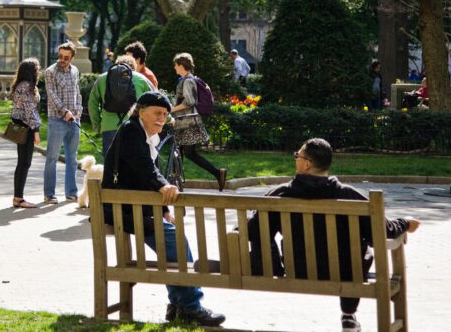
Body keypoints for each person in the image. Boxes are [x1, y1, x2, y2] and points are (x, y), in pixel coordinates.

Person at [247, 138, 420, 332]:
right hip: (346, 272)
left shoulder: (280, 194)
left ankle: (349, 317)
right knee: (361, 254)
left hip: (298, 268)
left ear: (306, 164)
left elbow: (254, 232)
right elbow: (382, 232)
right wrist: (405, 223)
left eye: (297, 156)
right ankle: (348, 315)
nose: (295, 159)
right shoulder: (350, 195)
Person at [101, 91, 227, 327]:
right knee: (175, 240)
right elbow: (144, 168)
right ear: (141, 111)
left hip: (133, 207)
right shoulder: (132, 131)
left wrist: (163, 210)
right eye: (157, 113)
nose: (162, 118)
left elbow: (145, 173)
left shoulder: (145, 134)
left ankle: (180, 304)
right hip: (123, 209)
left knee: (174, 240)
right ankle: (190, 306)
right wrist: (164, 185)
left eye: (166, 114)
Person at [172, 53, 227, 191]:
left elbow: (189, 102)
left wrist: (172, 109)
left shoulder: (188, 81)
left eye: (175, 65)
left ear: (181, 65)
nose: (174, 68)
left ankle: (217, 173)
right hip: (186, 122)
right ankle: (174, 182)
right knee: (180, 152)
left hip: (188, 123)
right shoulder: (187, 79)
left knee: (187, 153)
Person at [87, 54, 154, 156]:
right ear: (133, 68)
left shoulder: (102, 78)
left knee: (111, 165)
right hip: (135, 127)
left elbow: (92, 103)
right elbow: (155, 101)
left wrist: (97, 125)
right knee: (134, 164)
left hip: (109, 127)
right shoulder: (141, 79)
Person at [43, 42, 82, 204]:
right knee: (52, 157)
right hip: (57, 120)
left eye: (66, 57)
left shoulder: (75, 71)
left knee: (72, 158)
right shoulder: (50, 72)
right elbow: (51, 95)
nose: (62, 60)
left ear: (72, 57)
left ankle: (71, 192)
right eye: (60, 56)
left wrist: (78, 110)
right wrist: (65, 111)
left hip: (74, 120)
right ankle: (49, 194)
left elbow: (77, 92)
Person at [10, 58, 43, 209]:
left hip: (20, 125)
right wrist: (36, 130)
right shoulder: (27, 87)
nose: (38, 71)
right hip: (26, 127)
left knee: (22, 163)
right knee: (25, 163)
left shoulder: (19, 85)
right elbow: (30, 111)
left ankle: (17, 197)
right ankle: (18, 198)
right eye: (37, 69)